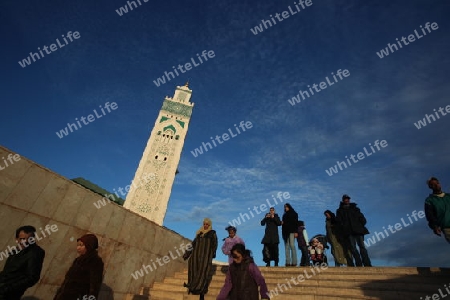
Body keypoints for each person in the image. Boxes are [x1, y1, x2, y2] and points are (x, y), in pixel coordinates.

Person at [0, 225, 45, 300]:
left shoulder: (35, 252)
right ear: (17, 239)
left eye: (29, 239)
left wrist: (7, 288)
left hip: (9, 294)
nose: (26, 241)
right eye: (22, 239)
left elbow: (32, 277)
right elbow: (7, 272)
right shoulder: (16, 250)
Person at [53, 233, 104, 300]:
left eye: (81, 245)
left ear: (89, 246)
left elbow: (94, 286)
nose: (78, 247)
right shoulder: (78, 260)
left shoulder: (95, 261)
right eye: (78, 245)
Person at [184, 218, 218, 300]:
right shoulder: (199, 233)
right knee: (193, 270)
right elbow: (193, 244)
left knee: (203, 273)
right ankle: (192, 288)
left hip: (206, 257)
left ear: (209, 225)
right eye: (204, 224)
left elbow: (215, 245)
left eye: (207, 224)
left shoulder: (212, 233)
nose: (205, 226)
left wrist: (212, 254)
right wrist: (187, 254)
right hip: (196, 256)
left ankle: (201, 293)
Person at [336, 194, 372, 267]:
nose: (347, 200)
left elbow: (362, 217)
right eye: (345, 199)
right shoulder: (340, 210)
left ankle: (367, 264)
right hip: (348, 232)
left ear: (349, 200)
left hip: (358, 230)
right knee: (353, 248)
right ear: (343, 200)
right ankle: (358, 264)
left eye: (348, 199)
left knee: (362, 246)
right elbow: (339, 221)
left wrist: (361, 224)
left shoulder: (355, 208)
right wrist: (343, 227)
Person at [424, 177, 450, 243]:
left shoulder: (448, 196)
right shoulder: (429, 200)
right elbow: (430, 215)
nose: (436, 185)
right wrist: (435, 226)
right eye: (433, 184)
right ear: (430, 187)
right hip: (447, 227)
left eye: (437, 183)